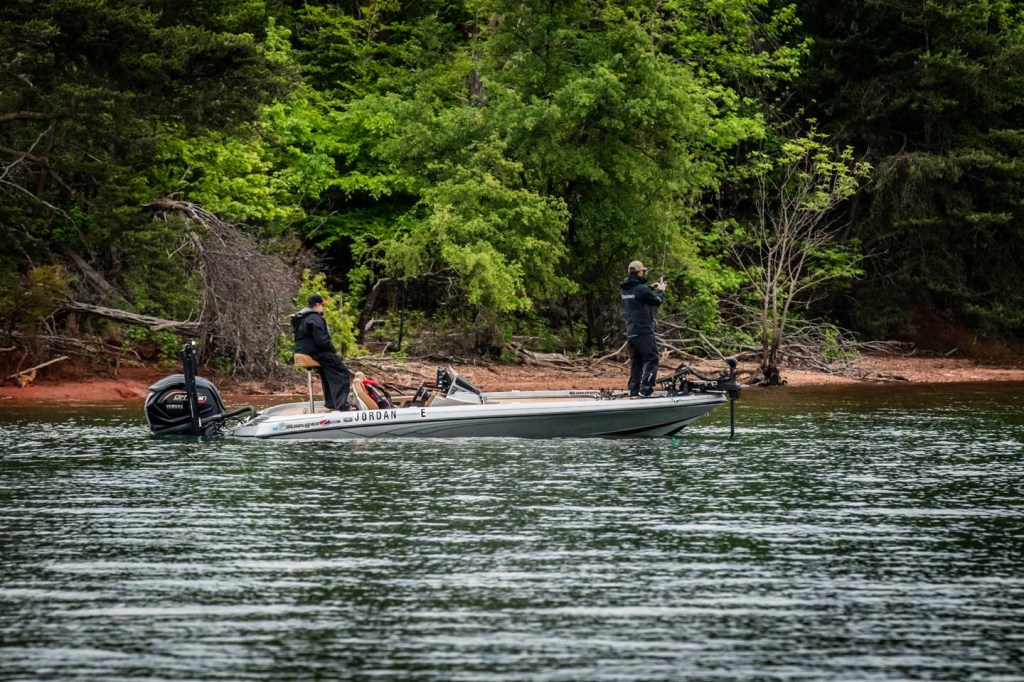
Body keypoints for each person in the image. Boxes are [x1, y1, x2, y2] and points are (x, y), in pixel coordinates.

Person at [291, 294, 352, 411]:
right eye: (322, 305)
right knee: (342, 372)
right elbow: (322, 341)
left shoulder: (301, 318)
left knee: (328, 372)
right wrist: (333, 351)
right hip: (316, 352)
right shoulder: (315, 318)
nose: (323, 308)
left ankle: (331, 403)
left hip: (303, 351)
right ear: (317, 305)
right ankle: (341, 405)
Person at [619, 260, 666, 397]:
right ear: (640, 272)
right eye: (643, 271)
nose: (644, 273)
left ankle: (634, 390)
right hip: (644, 331)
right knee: (652, 358)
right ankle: (646, 389)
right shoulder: (641, 289)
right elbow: (657, 301)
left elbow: (638, 294)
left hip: (631, 332)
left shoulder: (624, 289)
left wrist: (651, 288)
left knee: (636, 361)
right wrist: (662, 291)